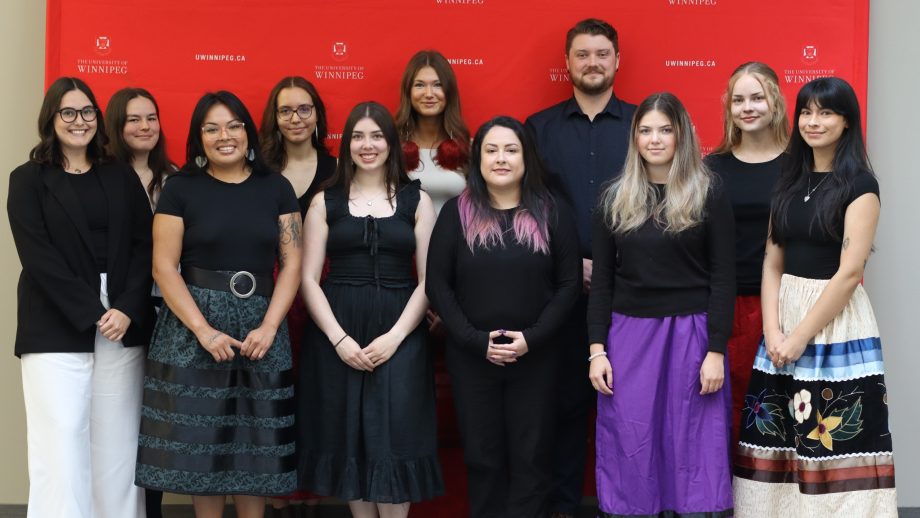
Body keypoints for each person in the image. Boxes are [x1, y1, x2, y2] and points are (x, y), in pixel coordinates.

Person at [733, 77, 897, 516]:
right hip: (783, 323)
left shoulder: (861, 185)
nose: (813, 121)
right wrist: (773, 331)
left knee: (835, 439)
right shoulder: (788, 180)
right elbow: (771, 263)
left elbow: (849, 274)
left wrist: (799, 337)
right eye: (806, 111)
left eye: (826, 112)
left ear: (846, 122)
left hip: (833, 323)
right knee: (779, 438)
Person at [134, 90, 302, 518]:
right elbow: (164, 267)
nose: (223, 136)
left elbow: (293, 264)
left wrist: (268, 327)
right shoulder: (181, 188)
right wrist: (203, 330)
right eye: (211, 128)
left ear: (248, 130)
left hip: (261, 328)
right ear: (198, 138)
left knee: (255, 452)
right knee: (199, 454)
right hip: (193, 327)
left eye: (232, 125)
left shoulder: (277, 187)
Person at [7, 76, 154, 518]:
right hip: (55, 321)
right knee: (63, 440)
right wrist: (94, 311)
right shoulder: (28, 179)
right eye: (68, 112)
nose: (79, 121)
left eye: (87, 111)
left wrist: (126, 306)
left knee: (118, 442)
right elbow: (38, 256)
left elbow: (145, 245)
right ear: (51, 119)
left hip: (122, 320)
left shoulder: (120, 175)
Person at [588, 92, 735, 517]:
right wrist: (597, 350)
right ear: (634, 137)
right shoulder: (613, 198)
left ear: (681, 135)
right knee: (632, 441)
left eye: (665, 130)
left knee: (691, 441)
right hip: (629, 334)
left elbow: (722, 276)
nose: (655, 139)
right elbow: (601, 283)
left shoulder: (709, 193)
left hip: (693, 333)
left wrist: (716, 350)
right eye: (646, 130)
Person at [426, 116, 581, 517]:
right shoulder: (456, 214)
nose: (501, 159)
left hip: (539, 359)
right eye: (491, 150)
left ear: (527, 157)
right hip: (473, 360)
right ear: (478, 159)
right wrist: (478, 342)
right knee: (482, 458)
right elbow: (438, 287)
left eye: (511, 150)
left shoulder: (553, 211)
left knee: (533, 458)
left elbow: (568, 287)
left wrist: (531, 338)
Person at [297, 101, 442, 518]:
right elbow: (308, 279)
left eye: (376, 135)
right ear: (346, 146)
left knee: (395, 438)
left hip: (401, 330)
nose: (367, 145)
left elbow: (429, 281)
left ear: (391, 143)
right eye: (358, 136)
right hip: (336, 332)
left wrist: (397, 336)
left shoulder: (419, 200)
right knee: (349, 438)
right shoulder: (326, 201)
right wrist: (338, 339)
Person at [525, 18, 636, 517]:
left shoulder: (644, 125)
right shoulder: (538, 129)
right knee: (564, 413)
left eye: (602, 54)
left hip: (636, 295)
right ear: (567, 63)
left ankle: (634, 507)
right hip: (560, 295)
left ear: (617, 60)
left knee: (633, 414)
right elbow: (526, 210)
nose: (593, 62)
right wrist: (574, 267)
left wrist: (609, 271)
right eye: (583, 54)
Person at [259, 76, 336, 518]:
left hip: (326, 295)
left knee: (318, 396)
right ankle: (278, 499)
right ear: (274, 118)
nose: (295, 119)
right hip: (272, 296)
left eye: (304, 109)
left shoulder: (337, 169)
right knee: (274, 396)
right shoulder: (260, 171)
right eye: (286, 110)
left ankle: (313, 499)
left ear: (317, 115)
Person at [704, 62, 789, 445]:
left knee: (783, 407)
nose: (748, 107)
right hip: (724, 303)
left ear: (775, 102)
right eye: (739, 100)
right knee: (729, 407)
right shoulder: (711, 169)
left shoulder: (799, 165)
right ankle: (730, 499)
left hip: (786, 304)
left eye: (757, 97)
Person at [105, 86, 176, 518]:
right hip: (120, 313)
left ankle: (151, 510)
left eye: (151, 117)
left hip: (171, 314)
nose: (145, 126)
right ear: (116, 124)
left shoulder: (177, 177)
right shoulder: (102, 177)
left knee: (160, 424)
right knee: (120, 419)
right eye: (134, 119)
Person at [395, 49, 470, 212]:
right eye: (420, 85)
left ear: (449, 92)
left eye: (438, 85)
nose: (429, 94)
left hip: (455, 237)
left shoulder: (469, 148)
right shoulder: (390, 146)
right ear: (408, 92)